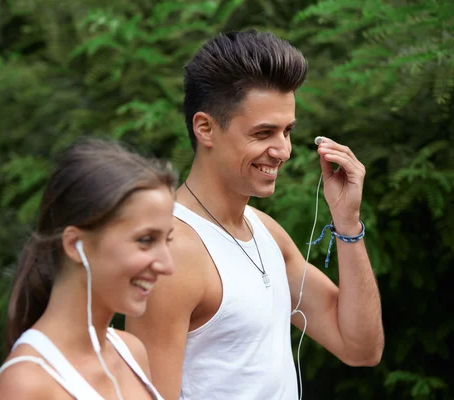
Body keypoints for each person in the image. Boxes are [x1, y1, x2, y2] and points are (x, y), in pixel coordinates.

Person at [125, 29, 385, 400]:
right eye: (264, 133)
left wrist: (347, 222)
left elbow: (361, 348)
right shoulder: (171, 253)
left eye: (287, 132)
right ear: (205, 128)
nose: (283, 151)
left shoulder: (265, 231)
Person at [0, 138, 177, 399]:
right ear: (76, 244)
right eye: (145, 240)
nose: (167, 266)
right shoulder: (27, 384)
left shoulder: (131, 352)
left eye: (167, 240)